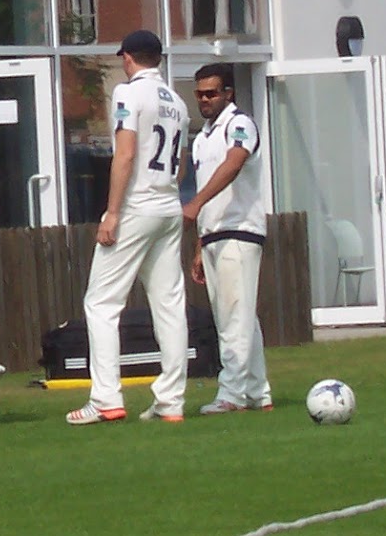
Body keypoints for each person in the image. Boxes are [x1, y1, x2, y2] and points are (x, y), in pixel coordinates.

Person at [68, 29, 190, 426]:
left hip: (138, 204)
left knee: (101, 303)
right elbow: (180, 163)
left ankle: (106, 398)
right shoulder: (178, 101)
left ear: (127, 58)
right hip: (168, 202)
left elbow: (125, 154)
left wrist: (112, 212)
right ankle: (171, 399)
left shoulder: (127, 93)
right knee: (169, 304)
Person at [183, 63, 272, 416]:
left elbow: (234, 164)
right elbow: (206, 199)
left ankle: (232, 394)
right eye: (200, 94)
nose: (204, 100)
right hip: (213, 235)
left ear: (228, 93)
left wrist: (196, 201)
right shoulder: (202, 136)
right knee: (238, 316)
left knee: (235, 315)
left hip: (240, 230)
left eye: (211, 93)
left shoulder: (239, 124)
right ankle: (257, 391)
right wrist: (198, 247)